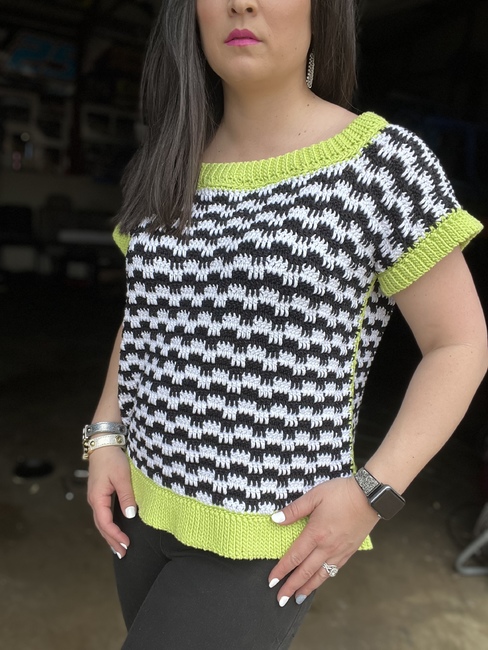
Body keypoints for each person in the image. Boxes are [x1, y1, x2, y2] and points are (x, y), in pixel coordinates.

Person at [86, 1, 488, 648]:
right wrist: (105, 434)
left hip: (264, 535)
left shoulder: (381, 167)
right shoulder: (165, 163)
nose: (241, 3)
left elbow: (459, 343)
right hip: (140, 504)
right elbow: (145, 313)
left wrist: (372, 493)